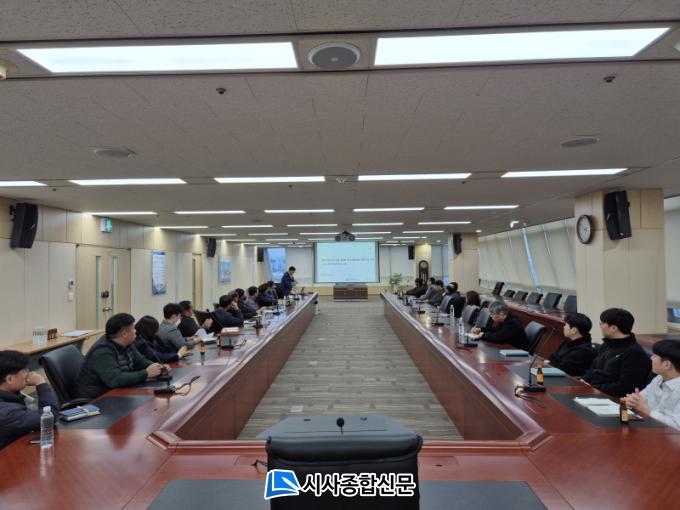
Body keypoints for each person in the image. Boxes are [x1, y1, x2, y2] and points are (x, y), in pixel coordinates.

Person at [75, 313, 165, 401]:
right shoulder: (103, 351)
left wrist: (158, 367)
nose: (136, 331)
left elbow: (140, 361)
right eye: (133, 328)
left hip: (115, 392)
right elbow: (115, 379)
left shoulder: (127, 343)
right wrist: (146, 373)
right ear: (124, 334)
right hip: (96, 399)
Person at [581, 308, 651, 398]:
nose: (600, 326)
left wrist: (593, 388)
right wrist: (583, 381)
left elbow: (625, 387)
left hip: (612, 398)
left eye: (602, 323)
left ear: (613, 328)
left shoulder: (635, 353)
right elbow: (593, 369)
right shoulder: (606, 345)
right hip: (594, 390)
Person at [0, 350, 59, 450]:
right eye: (25, 371)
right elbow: (49, 417)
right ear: (10, 379)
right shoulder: (5, 413)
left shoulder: (10, 396)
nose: (28, 373)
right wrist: (41, 383)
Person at [625, 339, 680, 430]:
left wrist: (647, 411)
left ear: (667, 364)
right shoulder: (658, 378)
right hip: (650, 428)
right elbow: (641, 398)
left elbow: (677, 426)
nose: (651, 358)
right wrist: (633, 401)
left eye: (655, 356)